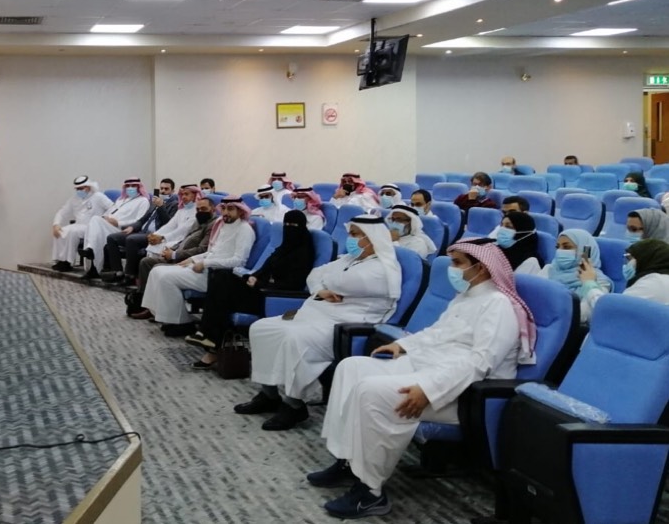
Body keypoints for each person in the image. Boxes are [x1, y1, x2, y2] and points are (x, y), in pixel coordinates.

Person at [309, 240, 534, 519]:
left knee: (370, 391)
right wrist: (404, 345)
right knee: (351, 367)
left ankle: (370, 492)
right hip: (429, 366)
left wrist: (428, 390)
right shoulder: (467, 296)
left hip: (461, 393)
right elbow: (437, 333)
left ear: (482, 268)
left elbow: (480, 363)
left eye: (458, 263)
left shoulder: (498, 305)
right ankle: (348, 463)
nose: (452, 269)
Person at [233, 215, 400, 431]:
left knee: (295, 339)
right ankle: (269, 394)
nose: (350, 239)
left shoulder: (382, 269)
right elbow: (314, 274)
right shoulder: (351, 259)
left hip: (346, 325)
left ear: (372, 237)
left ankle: (293, 405)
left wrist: (324, 283)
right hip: (313, 316)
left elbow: (339, 282)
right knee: (262, 328)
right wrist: (321, 289)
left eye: (355, 234)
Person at [192, 211, 316, 369]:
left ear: (302, 227)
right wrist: (252, 277)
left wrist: (260, 284)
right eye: (286, 225)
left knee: (223, 295)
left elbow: (292, 285)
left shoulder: (304, 253)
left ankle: (209, 340)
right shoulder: (283, 248)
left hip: (270, 297)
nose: (289, 228)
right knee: (221, 277)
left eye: (293, 225)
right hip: (259, 289)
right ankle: (208, 338)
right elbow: (265, 268)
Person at [137, 197, 255, 337]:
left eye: (230, 209)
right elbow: (211, 252)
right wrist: (192, 259)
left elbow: (239, 261)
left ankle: (183, 322)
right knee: (157, 271)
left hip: (218, 276)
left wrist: (204, 263)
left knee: (166, 278)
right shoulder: (223, 226)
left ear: (240, 211)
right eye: (223, 208)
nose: (225, 213)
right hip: (204, 267)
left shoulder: (244, 230)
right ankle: (166, 317)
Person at [100, 179, 178, 280]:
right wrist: (132, 227)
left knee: (131, 239)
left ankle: (130, 274)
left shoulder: (174, 204)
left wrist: (161, 207)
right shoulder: (153, 202)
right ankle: (117, 271)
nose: (163, 191)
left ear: (172, 191)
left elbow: (168, 224)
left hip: (155, 235)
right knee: (112, 238)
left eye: (166, 189)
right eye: (161, 188)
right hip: (142, 232)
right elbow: (142, 219)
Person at [134, 197, 215, 291]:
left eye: (204, 209)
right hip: (177, 254)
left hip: (186, 260)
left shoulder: (212, 225)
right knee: (146, 261)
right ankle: (143, 294)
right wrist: (172, 249)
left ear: (213, 209)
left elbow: (202, 249)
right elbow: (185, 238)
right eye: (198, 209)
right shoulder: (198, 221)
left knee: (156, 267)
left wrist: (174, 254)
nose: (200, 211)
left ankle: (151, 294)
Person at [581, 238, 669, 320]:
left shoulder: (654, 283)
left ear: (645, 259)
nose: (627, 264)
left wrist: (590, 284)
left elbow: (612, 310)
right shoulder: (660, 279)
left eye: (629, 259)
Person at [82, 178, 150, 276]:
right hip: (109, 225)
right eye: (128, 186)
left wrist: (118, 223)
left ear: (138, 187)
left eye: (133, 186)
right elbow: (110, 212)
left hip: (123, 229)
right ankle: (93, 261)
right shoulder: (120, 200)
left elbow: (139, 221)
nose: (130, 188)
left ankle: (90, 250)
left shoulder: (143, 201)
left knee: (96, 222)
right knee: (96, 221)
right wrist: (105, 218)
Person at [544, 228, 611, 322]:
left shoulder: (600, 281)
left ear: (582, 251)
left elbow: (585, 314)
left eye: (566, 247)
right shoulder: (550, 269)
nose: (560, 251)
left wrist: (589, 282)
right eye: (557, 247)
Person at [51, 176, 113, 271]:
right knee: (61, 231)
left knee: (72, 232)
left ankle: (68, 262)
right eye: (77, 189)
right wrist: (56, 224)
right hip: (78, 225)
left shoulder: (98, 196)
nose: (79, 191)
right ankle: (61, 260)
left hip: (92, 227)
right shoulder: (74, 199)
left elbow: (112, 207)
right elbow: (62, 212)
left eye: (81, 188)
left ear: (88, 187)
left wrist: (105, 218)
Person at [495, 211, 543, 277]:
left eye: (508, 226)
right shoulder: (496, 249)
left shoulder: (530, 262)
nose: (502, 230)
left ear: (523, 232)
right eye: (501, 225)